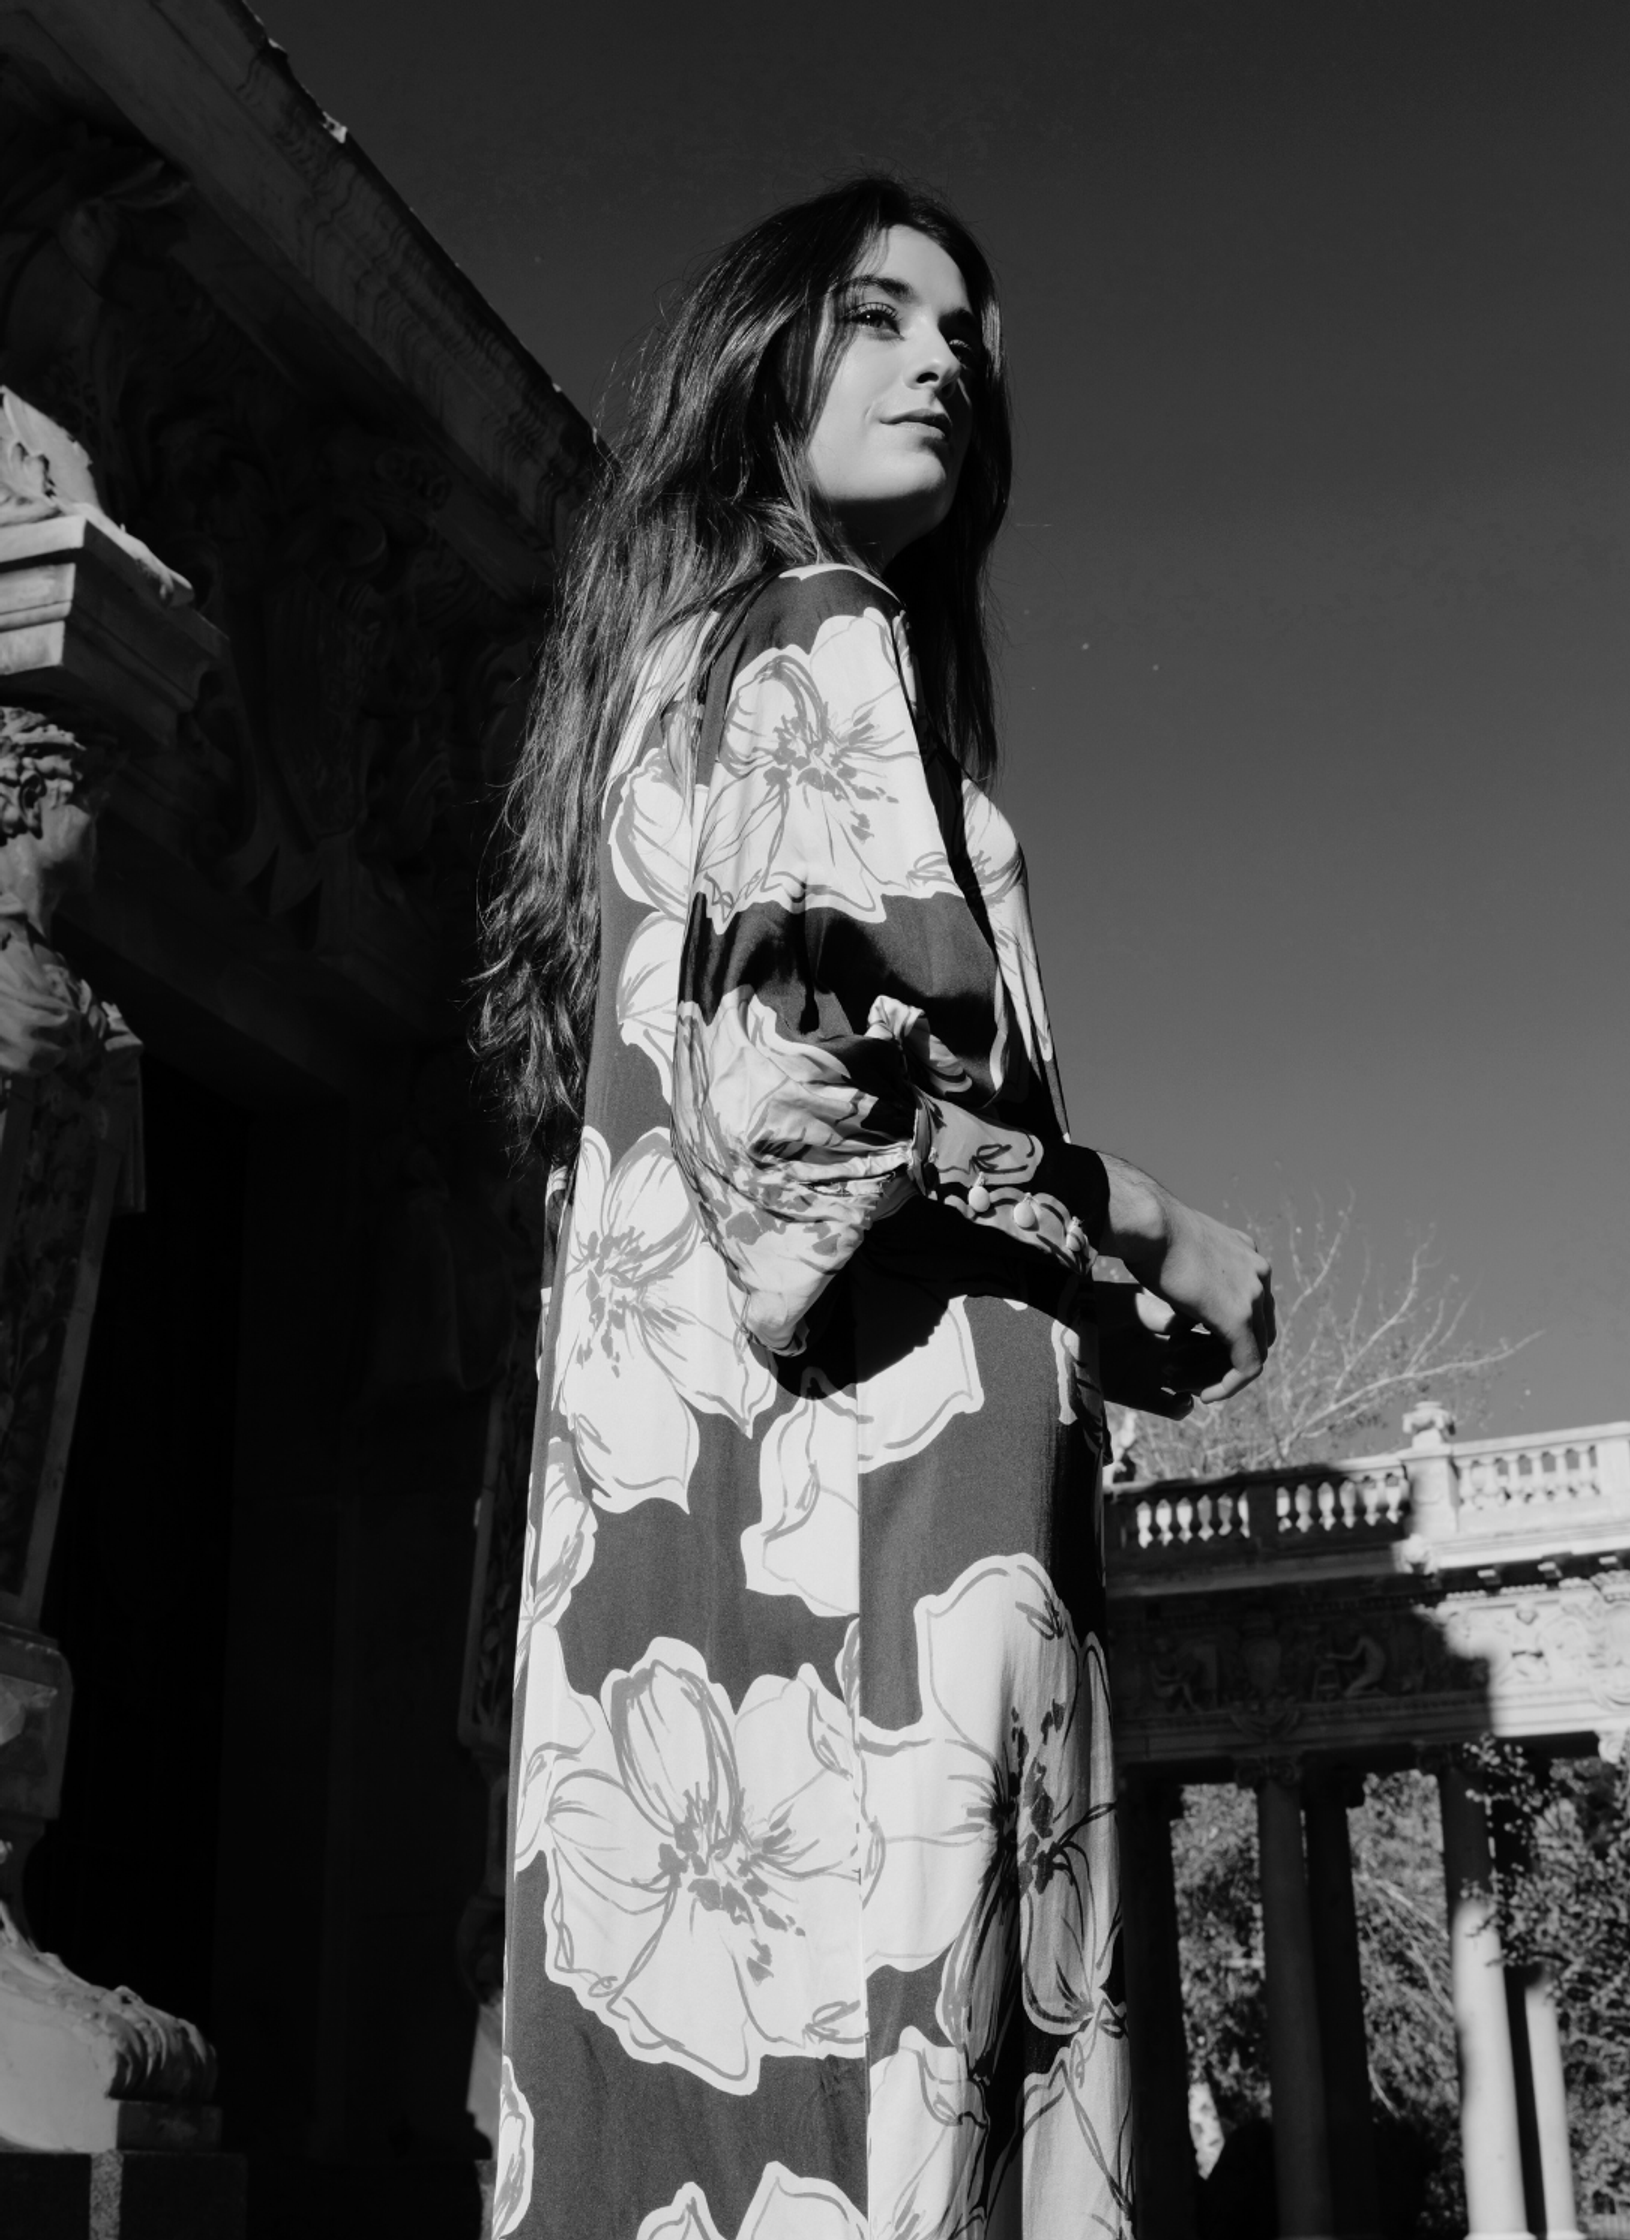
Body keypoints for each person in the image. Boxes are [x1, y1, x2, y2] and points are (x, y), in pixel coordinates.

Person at [480, 175, 1274, 2240]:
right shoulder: (819, 628)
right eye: (878, 315)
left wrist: (1070, 1274)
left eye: (963, 339)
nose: (943, 361)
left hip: (690, 1563)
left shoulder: (662, 677)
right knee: (900, 2139)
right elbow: (800, 1140)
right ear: (758, 362)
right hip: (879, 1549)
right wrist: (1149, 1236)